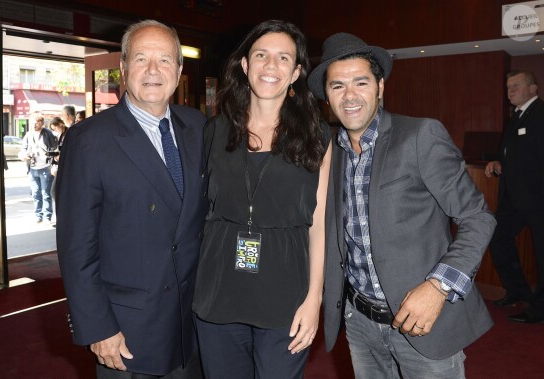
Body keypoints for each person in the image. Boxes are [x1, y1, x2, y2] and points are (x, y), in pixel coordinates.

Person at [309, 33, 496, 378]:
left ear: (380, 87)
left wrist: (438, 287)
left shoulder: (420, 136)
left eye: (360, 82)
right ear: (327, 97)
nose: (349, 96)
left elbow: (477, 217)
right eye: (337, 86)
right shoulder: (330, 154)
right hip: (360, 323)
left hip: (424, 322)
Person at [56, 19, 208, 378]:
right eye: (141, 59)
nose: (154, 70)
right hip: (127, 332)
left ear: (179, 69)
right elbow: (77, 247)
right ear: (123, 69)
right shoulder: (89, 140)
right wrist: (98, 328)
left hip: (192, 326)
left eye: (165, 60)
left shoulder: (199, 128)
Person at [192, 20, 331, 379]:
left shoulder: (318, 136)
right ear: (245, 65)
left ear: (297, 71)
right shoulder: (216, 130)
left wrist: (314, 299)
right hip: (219, 291)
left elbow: (319, 227)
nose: (271, 66)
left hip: (285, 293)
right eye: (261, 55)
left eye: (283, 58)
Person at [484, 70, 544, 323]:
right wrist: (499, 161)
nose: (511, 90)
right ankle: (518, 291)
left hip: (538, 198)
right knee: (497, 236)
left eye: (517, 86)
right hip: (515, 199)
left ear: (533, 89)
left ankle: (540, 310)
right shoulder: (517, 116)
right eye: (509, 86)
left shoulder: (540, 114)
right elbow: (518, 154)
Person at [18, 112, 58, 223]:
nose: (34, 125)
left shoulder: (48, 134)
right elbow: (22, 150)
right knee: (35, 193)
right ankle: (38, 215)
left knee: (46, 193)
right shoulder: (28, 135)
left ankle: (47, 216)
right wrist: (24, 155)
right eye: (32, 123)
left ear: (42, 123)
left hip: (45, 167)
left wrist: (52, 159)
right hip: (32, 168)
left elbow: (55, 149)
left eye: (36, 123)